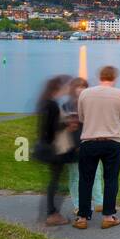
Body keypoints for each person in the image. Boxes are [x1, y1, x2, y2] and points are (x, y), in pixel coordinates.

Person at [75, 65, 120, 229]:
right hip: (112, 141)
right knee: (111, 179)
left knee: (85, 180)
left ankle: (82, 217)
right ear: (114, 78)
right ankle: (108, 216)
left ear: (100, 77)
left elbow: (81, 117)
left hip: (89, 140)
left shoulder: (85, 93)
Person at [34, 74, 73, 226]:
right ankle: (51, 213)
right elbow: (50, 129)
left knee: (55, 182)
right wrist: (67, 125)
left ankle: (51, 212)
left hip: (51, 149)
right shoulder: (52, 105)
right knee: (55, 182)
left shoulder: (46, 102)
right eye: (67, 86)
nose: (69, 88)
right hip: (55, 150)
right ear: (59, 88)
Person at [63, 77, 103, 214]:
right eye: (78, 87)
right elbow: (66, 129)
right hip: (74, 147)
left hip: (92, 143)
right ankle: (78, 205)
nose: (81, 89)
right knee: (75, 176)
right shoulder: (67, 106)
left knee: (96, 173)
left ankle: (99, 202)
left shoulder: (91, 104)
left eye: (84, 87)